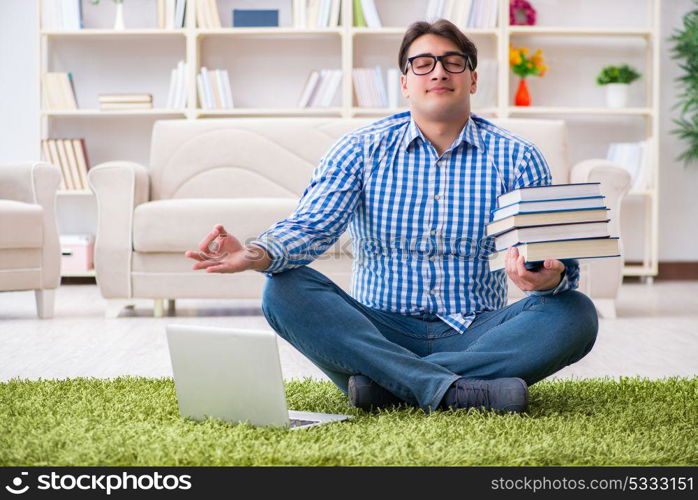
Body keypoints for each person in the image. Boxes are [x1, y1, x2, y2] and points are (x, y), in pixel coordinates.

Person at [185, 19, 598, 414]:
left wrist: (549, 278)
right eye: (423, 63)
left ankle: (388, 387)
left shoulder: (518, 158)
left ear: (473, 79)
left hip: (477, 333)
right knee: (283, 291)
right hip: (379, 332)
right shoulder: (360, 149)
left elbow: (556, 258)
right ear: (404, 82)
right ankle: (457, 389)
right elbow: (312, 227)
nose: (438, 72)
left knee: (575, 313)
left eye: (453, 62)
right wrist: (256, 253)